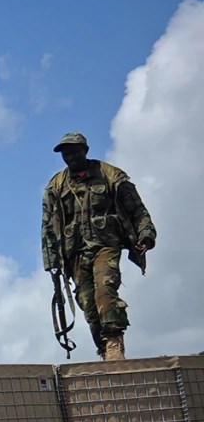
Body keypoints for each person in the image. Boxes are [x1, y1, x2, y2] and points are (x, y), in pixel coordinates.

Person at [41, 131, 157, 361]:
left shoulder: (110, 175)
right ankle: (104, 348)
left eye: (74, 151)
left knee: (105, 290)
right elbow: (47, 228)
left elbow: (136, 209)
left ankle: (114, 342)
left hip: (106, 244)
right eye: (66, 153)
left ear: (85, 150)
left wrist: (146, 233)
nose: (70, 156)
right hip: (75, 253)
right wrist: (52, 262)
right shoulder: (56, 185)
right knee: (88, 304)